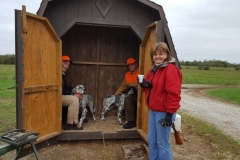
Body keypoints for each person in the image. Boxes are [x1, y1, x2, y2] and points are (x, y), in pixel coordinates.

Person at [138, 42, 182, 160]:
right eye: (155, 54)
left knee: (162, 144)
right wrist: (144, 84)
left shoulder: (170, 69)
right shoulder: (153, 69)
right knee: (152, 141)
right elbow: (150, 88)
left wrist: (169, 114)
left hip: (164, 112)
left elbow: (174, 93)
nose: (157, 56)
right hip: (153, 110)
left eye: (161, 54)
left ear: (167, 54)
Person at [115, 58, 139, 129]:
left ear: (136, 64)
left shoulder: (141, 71)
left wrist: (136, 88)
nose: (131, 67)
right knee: (127, 98)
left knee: (128, 98)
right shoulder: (127, 74)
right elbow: (123, 86)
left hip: (141, 93)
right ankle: (131, 121)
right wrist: (117, 94)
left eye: (132, 65)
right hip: (132, 94)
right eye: (129, 65)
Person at [62, 55, 83, 130]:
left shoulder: (63, 74)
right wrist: (73, 94)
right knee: (74, 99)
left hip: (61, 95)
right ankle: (70, 124)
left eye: (68, 65)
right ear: (60, 62)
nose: (67, 66)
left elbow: (65, 87)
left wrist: (74, 90)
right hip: (55, 96)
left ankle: (75, 122)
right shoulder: (57, 73)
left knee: (76, 98)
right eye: (65, 63)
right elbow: (62, 89)